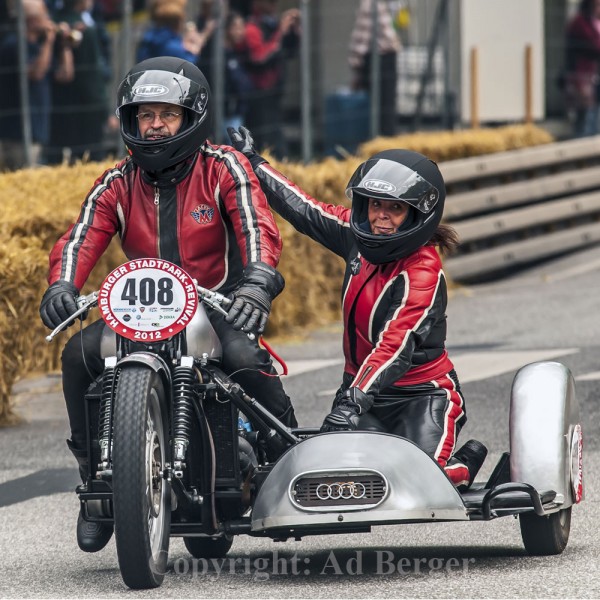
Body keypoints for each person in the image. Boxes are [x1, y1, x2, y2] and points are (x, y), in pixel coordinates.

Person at [39, 57, 297, 553]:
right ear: (130, 122)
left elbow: (255, 224)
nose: (154, 126)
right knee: (78, 356)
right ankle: (94, 485)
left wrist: (258, 280)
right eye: (144, 116)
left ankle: (286, 452)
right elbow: (79, 237)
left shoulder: (224, 167)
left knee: (244, 357)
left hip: (213, 305)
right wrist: (61, 285)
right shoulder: (116, 182)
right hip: (137, 312)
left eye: (167, 115)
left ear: (191, 118)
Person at [228, 126, 488, 491]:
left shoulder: (423, 271)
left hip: (424, 395)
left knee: (422, 483)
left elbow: (395, 345)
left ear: (418, 214)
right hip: (363, 396)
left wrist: (351, 402)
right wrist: (255, 162)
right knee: (340, 481)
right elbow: (303, 207)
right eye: (375, 204)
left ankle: (464, 463)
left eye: (395, 208)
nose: (381, 216)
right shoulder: (355, 235)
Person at [0, 0, 72, 169]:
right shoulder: (13, 45)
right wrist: (49, 42)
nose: (49, 19)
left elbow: (64, 75)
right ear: (31, 20)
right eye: (44, 15)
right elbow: (36, 73)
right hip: (17, 134)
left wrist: (64, 46)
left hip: (37, 129)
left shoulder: (38, 47)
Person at [45, 0, 110, 164]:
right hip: (87, 110)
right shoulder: (86, 31)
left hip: (57, 108)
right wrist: (103, 109)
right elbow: (92, 77)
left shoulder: (53, 23)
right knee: (91, 159)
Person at [243, 0, 300, 158]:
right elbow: (261, 59)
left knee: (275, 135)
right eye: (269, 2)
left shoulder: (272, 26)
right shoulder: (251, 28)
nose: (273, 6)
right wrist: (281, 31)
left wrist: (293, 31)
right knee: (262, 139)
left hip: (274, 92)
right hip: (258, 95)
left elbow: (290, 53)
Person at [348, 0, 401, 137]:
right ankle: (381, 140)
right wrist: (356, 65)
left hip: (386, 57)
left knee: (386, 106)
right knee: (381, 106)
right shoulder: (371, 4)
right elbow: (362, 38)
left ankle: (386, 140)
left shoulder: (387, 4)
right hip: (378, 59)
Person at [564, 0, 600, 137]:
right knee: (585, 116)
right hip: (583, 77)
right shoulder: (580, 23)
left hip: (594, 78)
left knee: (594, 115)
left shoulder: (594, 22)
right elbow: (594, 46)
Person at [136, 0, 213, 63]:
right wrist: (197, 45)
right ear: (177, 20)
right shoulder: (170, 44)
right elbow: (188, 65)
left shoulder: (149, 37)